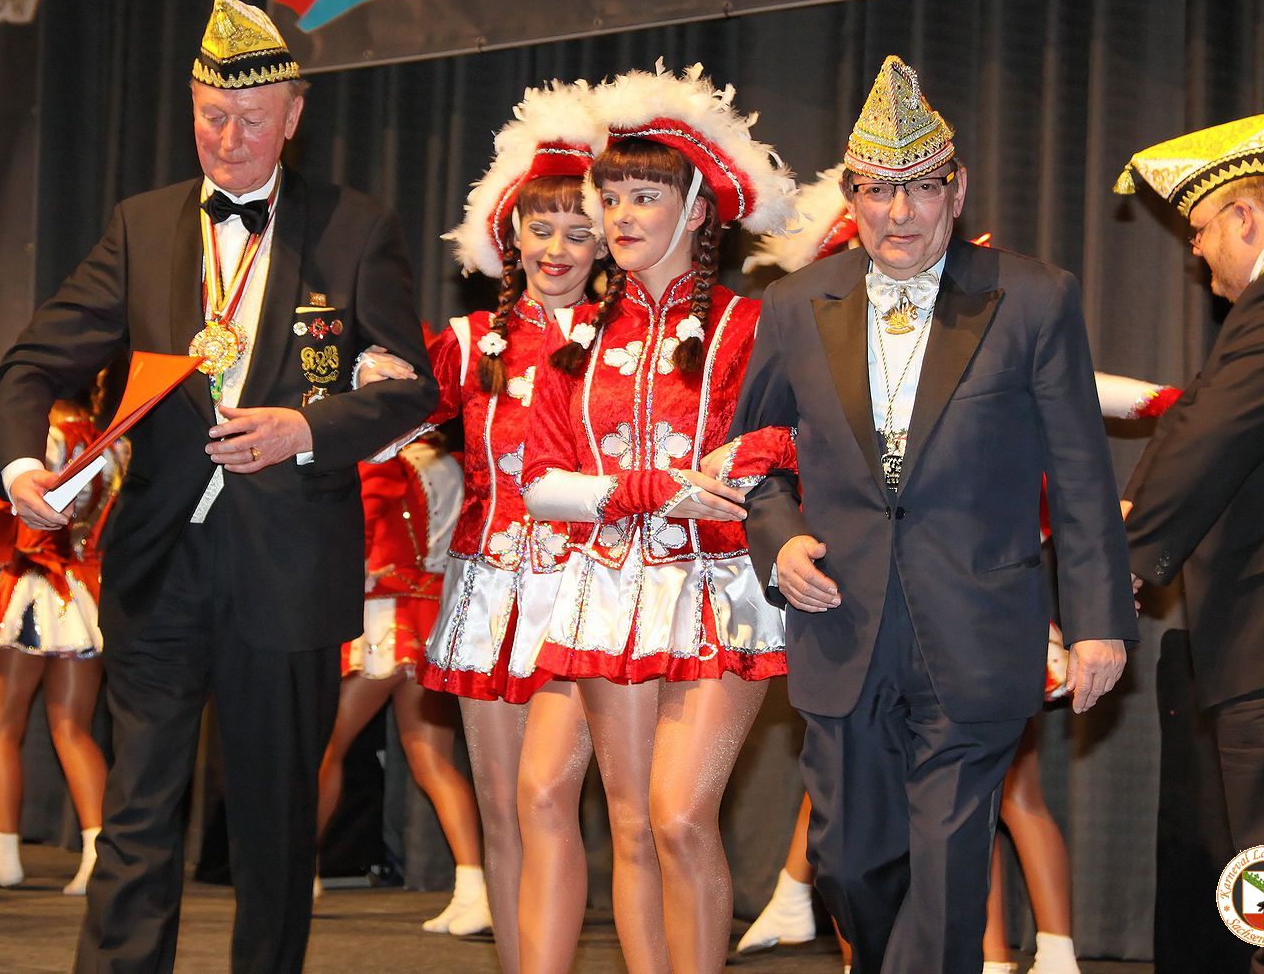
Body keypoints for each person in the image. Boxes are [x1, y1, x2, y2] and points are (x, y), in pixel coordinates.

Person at [0, 0, 436, 973]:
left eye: (250, 119)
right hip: (159, 566)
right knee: (136, 814)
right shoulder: (142, 226)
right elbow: (29, 365)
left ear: (294, 116)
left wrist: (302, 429)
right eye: (210, 117)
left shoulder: (356, 228)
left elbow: (411, 390)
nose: (227, 140)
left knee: (274, 826)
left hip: (289, 565)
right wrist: (23, 467)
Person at [731, 55, 1135, 974]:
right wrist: (779, 539)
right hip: (842, 623)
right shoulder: (794, 304)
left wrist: (1099, 621)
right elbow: (751, 459)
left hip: (980, 623)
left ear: (957, 191)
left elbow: (1080, 473)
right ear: (854, 197)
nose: (900, 214)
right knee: (848, 863)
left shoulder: (1034, 296)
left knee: (950, 863)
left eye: (920, 189)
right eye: (879, 191)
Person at [520, 61, 798, 972]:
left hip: (721, 590)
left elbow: (808, 434)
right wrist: (647, 489)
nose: (620, 217)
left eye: (644, 196)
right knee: (633, 824)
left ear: (698, 211)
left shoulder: (752, 326)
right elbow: (540, 484)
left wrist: (751, 455)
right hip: (608, 592)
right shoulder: (578, 339)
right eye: (610, 198)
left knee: (680, 817)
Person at [357, 80, 606, 972]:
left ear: (608, 241)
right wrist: (366, 377)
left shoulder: (631, 341)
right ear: (512, 236)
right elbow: (388, 430)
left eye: (579, 231)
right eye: (542, 228)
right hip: (486, 594)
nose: (557, 249)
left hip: (589, 595)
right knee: (502, 811)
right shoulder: (468, 344)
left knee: (549, 802)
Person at [1117, 113, 1264, 974]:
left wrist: (1123, 565)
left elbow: (1215, 430)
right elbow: (1209, 422)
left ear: (1245, 215)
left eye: (1202, 230)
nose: (1198, 254)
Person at [0, 391, 128, 895]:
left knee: (0, 728)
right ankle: (96, 855)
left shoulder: (41, 436)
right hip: (85, 587)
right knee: (72, 729)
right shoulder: (112, 439)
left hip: (33, 584)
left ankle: (5, 855)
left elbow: (18, 522)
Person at [315, 434, 490, 935]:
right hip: (434, 615)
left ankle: (298, 871)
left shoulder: (384, 462)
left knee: (326, 747)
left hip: (384, 617)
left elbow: (362, 540)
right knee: (433, 761)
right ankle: (473, 888)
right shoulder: (459, 462)